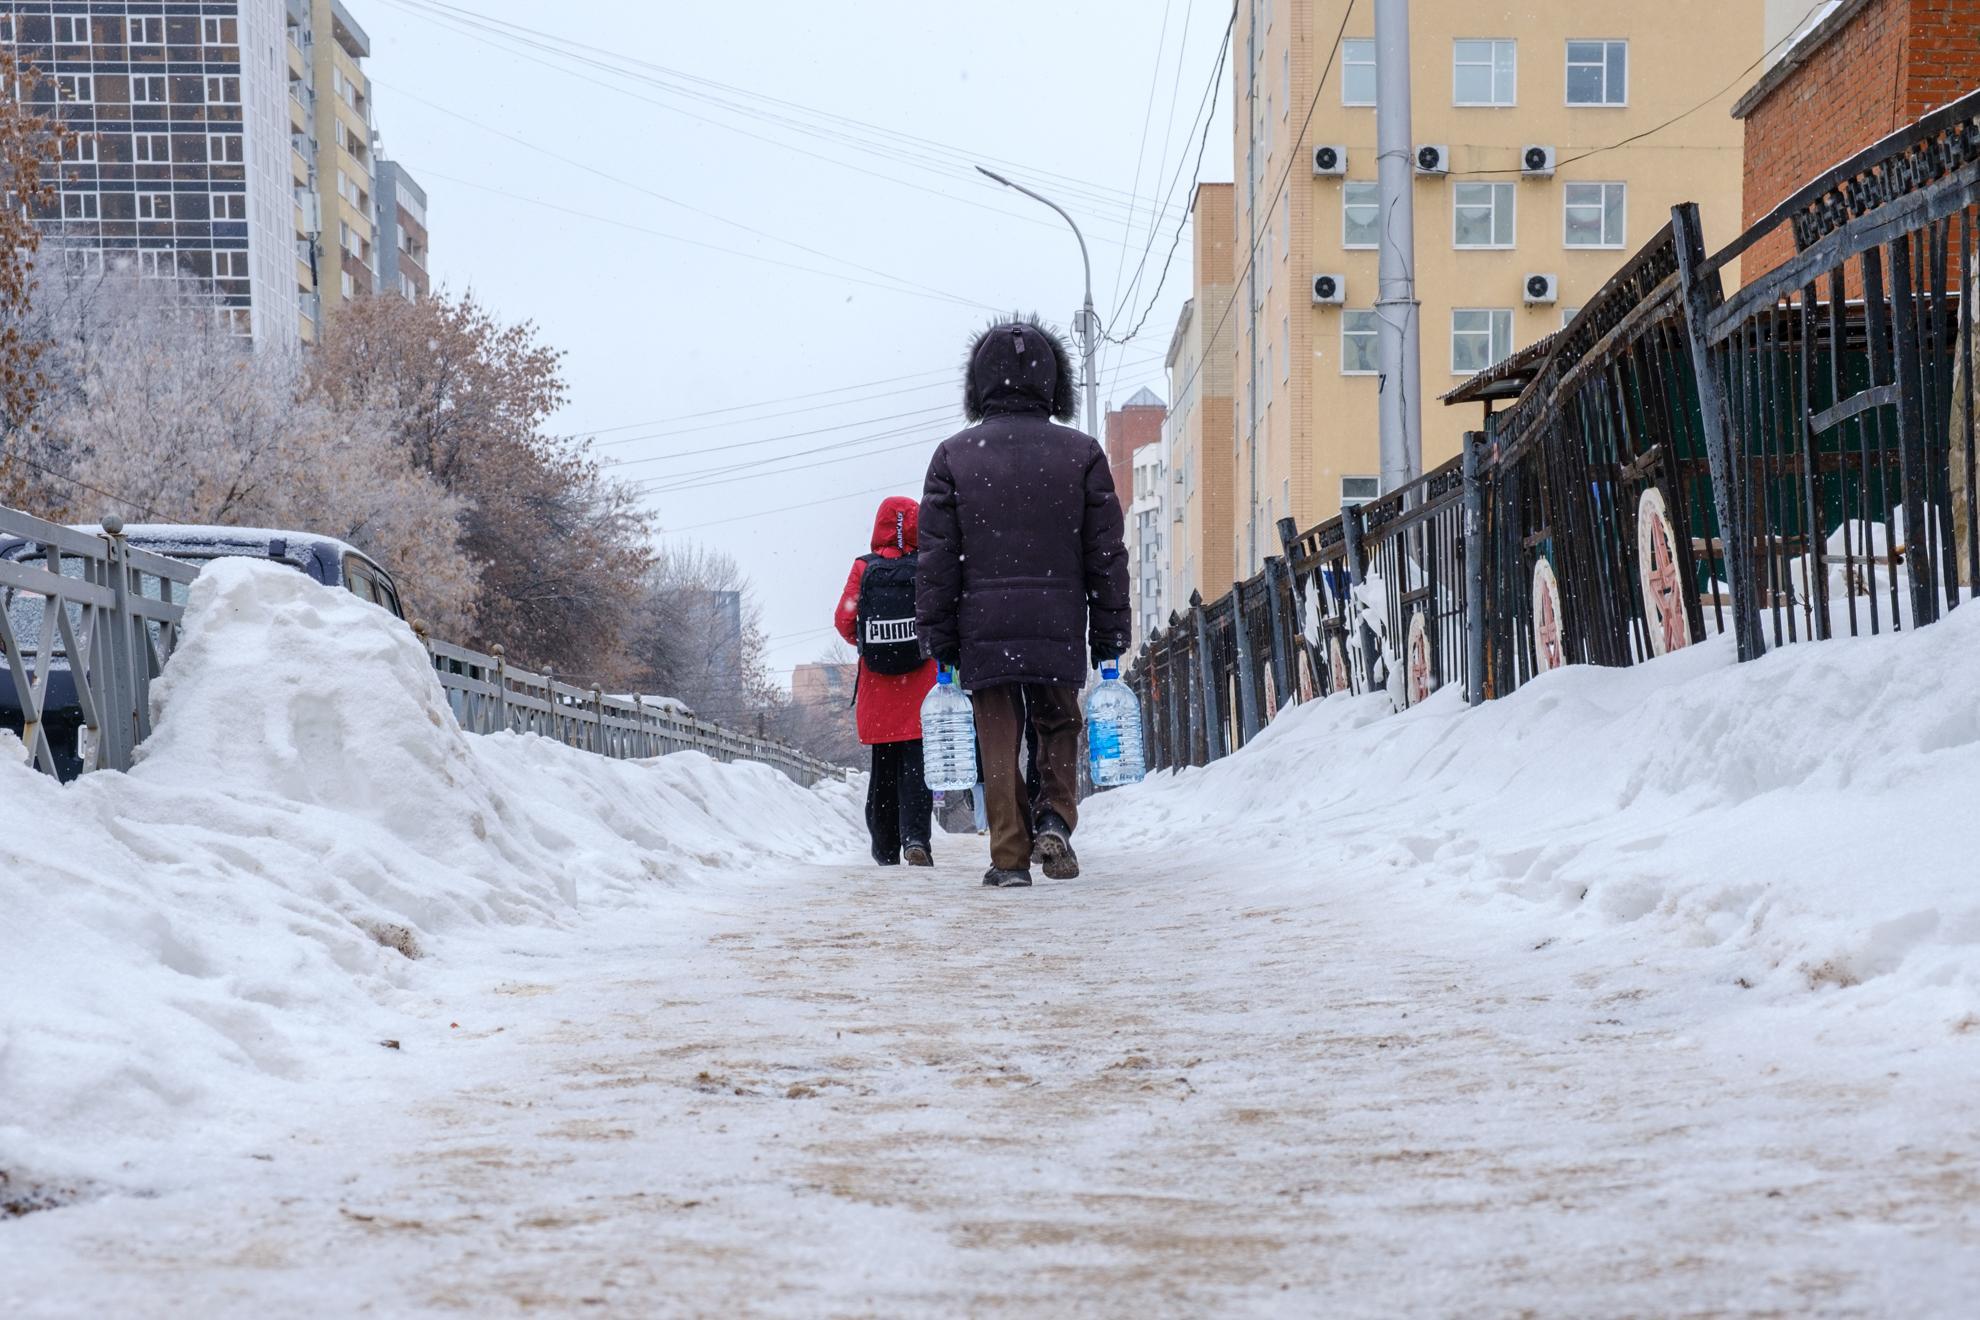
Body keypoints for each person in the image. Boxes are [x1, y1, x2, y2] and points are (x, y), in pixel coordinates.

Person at [916, 315, 1131, 888]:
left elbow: (936, 557)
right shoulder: (1080, 452)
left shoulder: (953, 456)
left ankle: (1009, 856)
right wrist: (1108, 629)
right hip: (1058, 617)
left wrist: (938, 632)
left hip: (981, 620)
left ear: (978, 386)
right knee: (1058, 722)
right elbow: (1106, 552)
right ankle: (1056, 818)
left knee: (998, 735)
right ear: (1053, 382)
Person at [834, 495, 939, 867]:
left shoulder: (864, 569)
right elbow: (940, 618)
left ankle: (884, 848)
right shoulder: (927, 565)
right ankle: (916, 839)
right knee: (917, 769)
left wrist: (869, 646)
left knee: (883, 770)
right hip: (920, 688)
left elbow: (844, 620)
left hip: (878, 691)